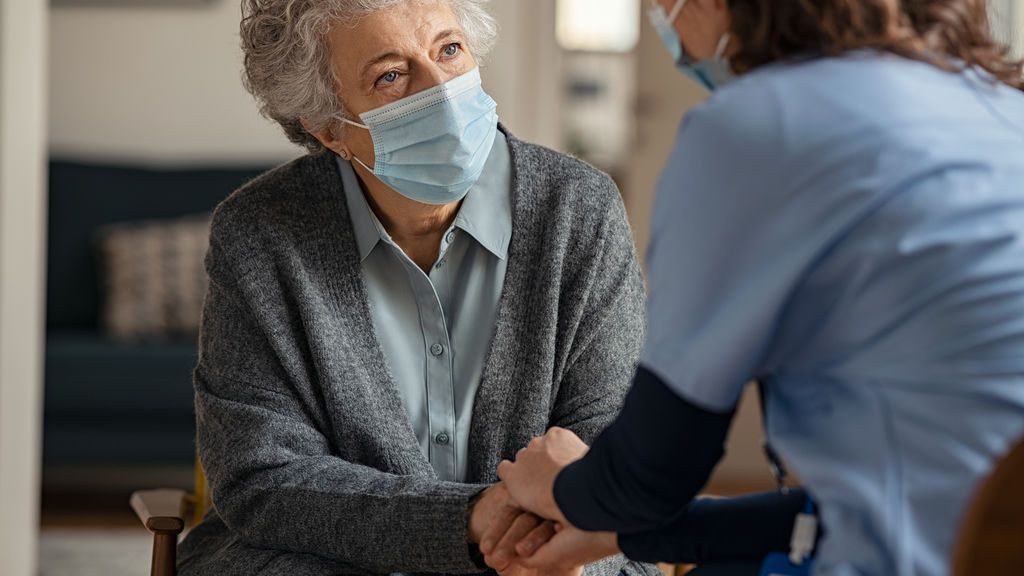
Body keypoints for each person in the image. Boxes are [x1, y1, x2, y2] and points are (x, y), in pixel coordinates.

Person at [484, 0, 1024, 575]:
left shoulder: (755, 125)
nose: (661, 21)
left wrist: (559, 485)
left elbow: (648, 478)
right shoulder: (998, 105)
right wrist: (617, 535)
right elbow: (853, 513)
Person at [174, 1, 663, 575]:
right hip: (328, 559)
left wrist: (537, 543)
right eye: (391, 75)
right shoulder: (259, 232)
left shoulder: (580, 211)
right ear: (330, 128)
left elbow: (612, 438)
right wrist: (471, 519)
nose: (442, 92)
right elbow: (263, 474)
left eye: (448, 50)